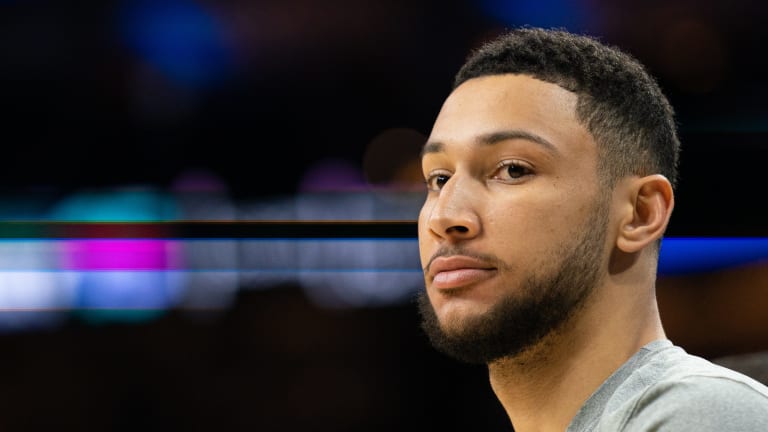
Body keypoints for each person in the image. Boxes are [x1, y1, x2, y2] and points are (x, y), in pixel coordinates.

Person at [415, 26, 768, 431]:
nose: (445, 216)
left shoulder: (700, 415)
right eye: (439, 179)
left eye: (512, 170)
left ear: (639, 213)